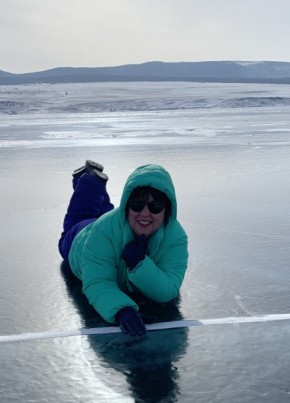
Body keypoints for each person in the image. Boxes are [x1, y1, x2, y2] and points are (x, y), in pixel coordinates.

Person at [58, 160, 188, 336]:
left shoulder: (175, 238)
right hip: (80, 240)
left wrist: (139, 264)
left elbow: (168, 290)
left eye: (155, 206)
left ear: (167, 210)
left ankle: (95, 184)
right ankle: (88, 180)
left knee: (103, 212)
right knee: (80, 214)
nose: (144, 213)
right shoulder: (102, 232)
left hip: (110, 224)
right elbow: (98, 282)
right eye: (136, 205)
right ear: (127, 206)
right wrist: (121, 310)